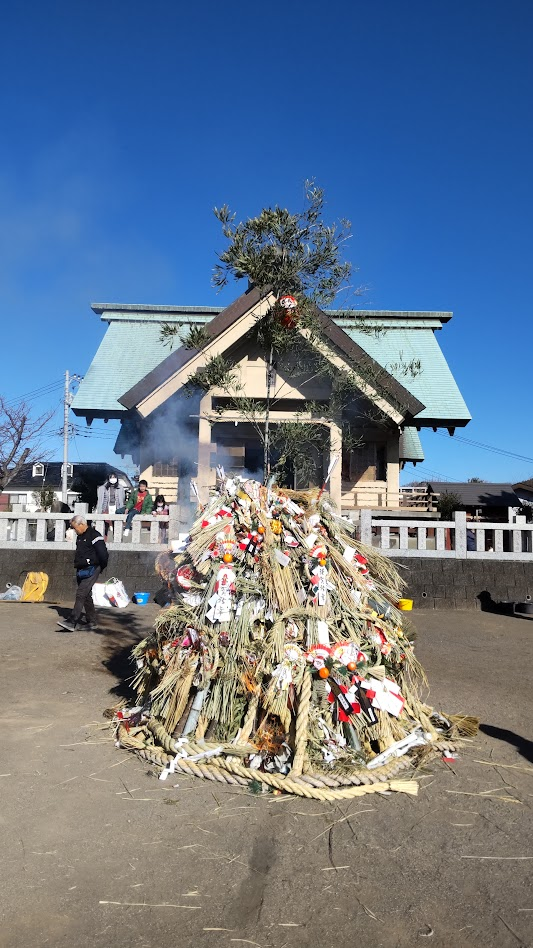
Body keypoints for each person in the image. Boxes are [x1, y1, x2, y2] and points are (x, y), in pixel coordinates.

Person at [57, 515, 108, 633]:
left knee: (81, 593)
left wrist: (100, 567)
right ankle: (92, 621)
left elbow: (103, 553)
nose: (75, 530)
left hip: (93, 568)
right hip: (81, 569)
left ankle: (72, 621)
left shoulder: (95, 535)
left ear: (82, 524)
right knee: (86, 596)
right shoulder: (80, 537)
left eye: (75, 528)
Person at [96, 472, 126, 539]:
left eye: (114, 477)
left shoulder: (120, 488)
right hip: (106, 508)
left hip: (117, 508)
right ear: (108, 478)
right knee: (105, 525)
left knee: (117, 525)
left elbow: (122, 498)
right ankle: (103, 541)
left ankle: (117, 540)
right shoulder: (103, 488)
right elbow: (100, 499)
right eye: (111, 477)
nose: (113, 479)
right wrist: (99, 510)